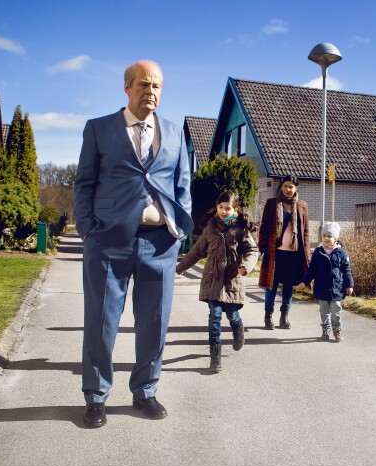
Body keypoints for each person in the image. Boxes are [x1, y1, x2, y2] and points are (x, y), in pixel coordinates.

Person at [74, 60, 193, 428]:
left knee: (154, 324)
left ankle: (145, 391)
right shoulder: (99, 129)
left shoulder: (175, 133)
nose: (151, 92)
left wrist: (177, 231)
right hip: (108, 242)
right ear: (127, 88)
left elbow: (183, 187)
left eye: (157, 86)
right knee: (101, 322)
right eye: (143, 85)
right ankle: (96, 397)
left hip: (159, 246)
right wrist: (88, 229)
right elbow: (84, 184)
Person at [176, 191, 258, 372]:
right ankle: (215, 358)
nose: (223, 211)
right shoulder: (210, 228)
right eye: (220, 207)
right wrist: (181, 267)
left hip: (232, 281)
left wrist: (246, 266)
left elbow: (252, 250)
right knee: (215, 317)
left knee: (232, 315)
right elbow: (196, 251)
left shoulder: (240, 229)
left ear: (235, 209)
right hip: (212, 280)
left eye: (227, 208)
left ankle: (238, 328)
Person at [257, 175, 310, 330]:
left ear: (296, 188)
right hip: (275, 254)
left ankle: (284, 316)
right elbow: (264, 228)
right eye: (286, 186)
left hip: (293, 255)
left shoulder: (302, 206)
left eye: (291, 186)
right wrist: (262, 248)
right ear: (281, 187)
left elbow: (305, 232)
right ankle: (268, 316)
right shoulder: (272, 203)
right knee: (271, 286)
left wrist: (307, 254)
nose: (288, 189)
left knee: (288, 287)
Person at [296, 222, 354, 342]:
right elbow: (311, 271)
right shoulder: (318, 252)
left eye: (329, 236)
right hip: (321, 288)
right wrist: (304, 282)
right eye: (324, 235)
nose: (326, 238)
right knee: (324, 311)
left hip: (336, 288)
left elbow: (347, 271)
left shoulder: (341, 253)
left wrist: (349, 284)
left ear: (336, 238)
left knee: (336, 310)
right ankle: (325, 330)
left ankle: (337, 331)